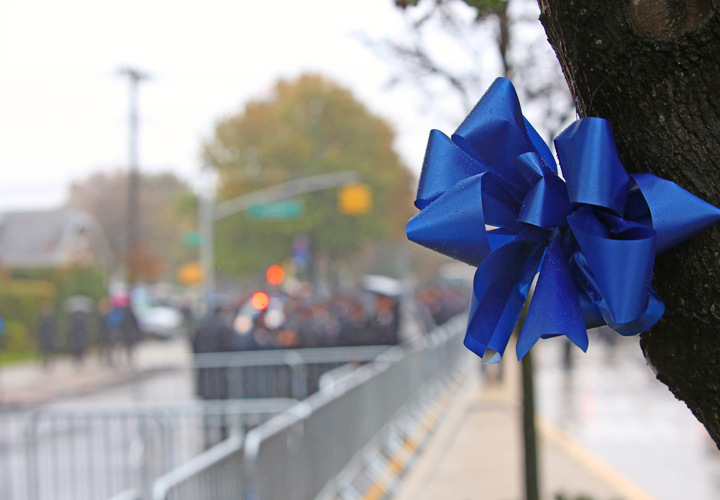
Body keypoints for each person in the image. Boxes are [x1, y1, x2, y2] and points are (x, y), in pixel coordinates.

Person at [35, 301, 58, 369]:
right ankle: (44, 362)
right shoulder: (42, 318)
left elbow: (54, 327)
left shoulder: (52, 318)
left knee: (50, 350)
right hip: (44, 336)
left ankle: (51, 361)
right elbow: (39, 327)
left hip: (49, 336)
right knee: (43, 350)